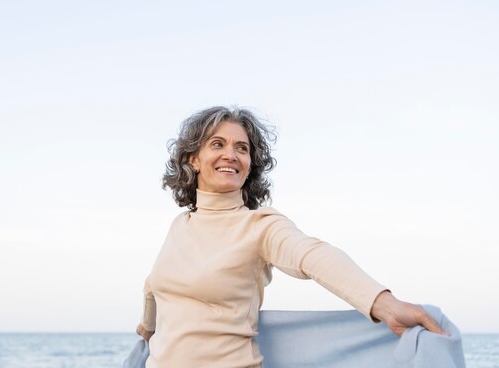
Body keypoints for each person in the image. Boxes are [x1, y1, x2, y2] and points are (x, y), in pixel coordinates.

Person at [136, 106, 445, 368]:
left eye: (241, 148)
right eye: (217, 144)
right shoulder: (181, 224)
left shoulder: (259, 225)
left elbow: (312, 256)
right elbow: (154, 284)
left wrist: (384, 304)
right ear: (193, 159)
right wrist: (146, 328)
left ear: (249, 165)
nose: (230, 155)